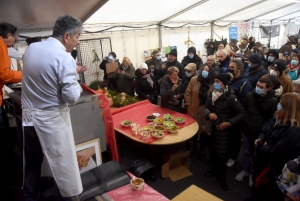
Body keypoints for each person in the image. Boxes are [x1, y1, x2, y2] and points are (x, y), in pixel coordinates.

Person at [21, 15, 87, 200]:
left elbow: (43, 74)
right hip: (51, 122)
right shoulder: (65, 58)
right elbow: (71, 97)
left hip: (30, 120)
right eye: (77, 36)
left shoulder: (32, 48)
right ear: (67, 36)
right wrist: (75, 78)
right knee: (62, 165)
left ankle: (30, 197)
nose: (78, 41)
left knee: (33, 164)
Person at [252, 93, 300, 201]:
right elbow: (265, 128)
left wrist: (261, 147)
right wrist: (260, 139)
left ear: (288, 107)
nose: (278, 105)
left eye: (281, 104)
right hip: (263, 156)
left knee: (264, 187)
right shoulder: (278, 116)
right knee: (257, 181)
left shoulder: (293, 129)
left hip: (273, 164)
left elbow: (278, 150)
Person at [204, 73, 245, 191]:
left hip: (223, 130)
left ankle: (222, 178)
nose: (215, 84)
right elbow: (206, 107)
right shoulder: (212, 93)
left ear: (224, 84)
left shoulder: (230, 97)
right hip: (212, 129)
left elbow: (242, 113)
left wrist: (229, 123)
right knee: (212, 153)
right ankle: (213, 170)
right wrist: (208, 114)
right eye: (214, 81)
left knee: (222, 156)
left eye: (218, 81)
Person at [236, 77, 277, 187]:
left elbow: (271, 120)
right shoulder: (250, 96)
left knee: (256, 154)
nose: (257, 88)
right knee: (246, 151)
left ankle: (253, 173)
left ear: (268, 88)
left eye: (261, 87)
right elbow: (243, 110)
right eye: (257, 85)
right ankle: (245, 169)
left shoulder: (272, 101)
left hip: (259, 133)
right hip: (246, 129)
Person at [226, 59, 252, 168]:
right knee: (228, 136)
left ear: (239, 70)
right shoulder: (230, 79)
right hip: (227, 112)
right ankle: (227, 153)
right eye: (229, 67)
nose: (230, 69)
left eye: (233, 67)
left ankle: (233, 157)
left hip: (236, 115)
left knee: (235, 138)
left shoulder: (244, 83)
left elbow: (244, 103)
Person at [184, 65, 215, 154]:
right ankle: (193, 145)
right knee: (193, 130)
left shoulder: (213, 83)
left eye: (207, 70)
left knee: (203, 130)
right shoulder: (194, 79)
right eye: (204, 69)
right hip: (193, 109)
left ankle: (202, 147)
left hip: (205, 111)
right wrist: (189, 103)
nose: (205, 71)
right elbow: (188, 92)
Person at [0, 23, 22, 133]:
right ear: (8, 35)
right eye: (15, 39)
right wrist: (24, 75)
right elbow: (4, 74)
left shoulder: (4, 46)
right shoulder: (0, 45)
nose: (15, 43)